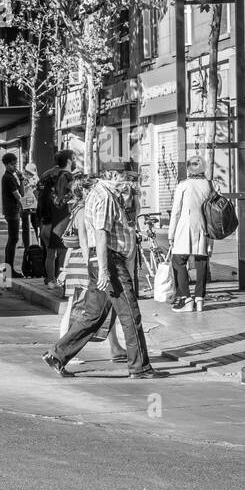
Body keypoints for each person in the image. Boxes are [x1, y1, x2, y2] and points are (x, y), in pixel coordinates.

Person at [43, 160, 160, 379]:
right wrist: (105, 270)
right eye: (125, 175)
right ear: (114, 175)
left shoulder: (104, 193)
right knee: (130, 314)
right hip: (109, 262)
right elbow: (101, 233)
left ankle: (57, 354)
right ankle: (140, 367)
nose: (128, 180)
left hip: (103, 262)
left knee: (93, 316)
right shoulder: (105, 196)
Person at [56, 174, 126, 363]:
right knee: (78, 308)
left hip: (84, 261)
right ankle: (64, 349)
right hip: (84, 262)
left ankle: (115, 347)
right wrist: (91, 265)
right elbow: (84, 241)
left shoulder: (81, 208)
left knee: (101, 306)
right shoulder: (83, 210)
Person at [168, 156, 214, 312]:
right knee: (201, 262)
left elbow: (176, 212)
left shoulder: (184, 185)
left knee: (178, 261)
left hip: (184, 227)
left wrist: (171, 234)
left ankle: (187, 300)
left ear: (189, 169)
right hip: (204, 228)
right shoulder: (209, 185)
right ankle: (200, 299)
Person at [36, 149, 75, 289]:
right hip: (60, 221)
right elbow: (68, 199)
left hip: (45, 221)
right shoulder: (68, 176)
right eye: (74, 158)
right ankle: (61, 281)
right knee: (63, 253)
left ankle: (50, 280)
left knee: (50, 253)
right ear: (69, 161)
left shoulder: (47, 175)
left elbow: (38, 192)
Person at [0, 153, 25, 276]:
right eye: (12, 164)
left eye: (15, 164)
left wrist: (21, 179)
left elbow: (21, 194)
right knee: (13, 239)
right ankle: (9, 269)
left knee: (13, 239)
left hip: (13, 210)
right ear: (6, 164)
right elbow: (19, 196)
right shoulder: (8, 178)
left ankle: (8, 268)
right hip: (12, 211)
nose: (14, 167)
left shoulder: (10, 177)